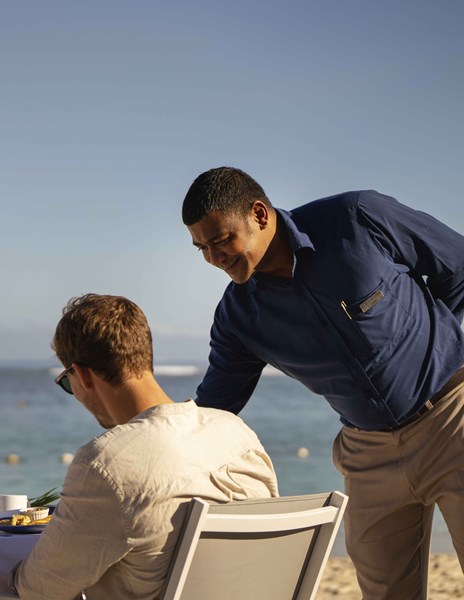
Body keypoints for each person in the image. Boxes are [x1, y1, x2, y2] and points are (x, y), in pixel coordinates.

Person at [181, 166, 464, 600]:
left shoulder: (356, 219)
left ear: (259, 214)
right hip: (367, 454)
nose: (213, 258)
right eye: (201, 247)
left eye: (221, 240)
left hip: (452, 418)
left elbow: (457, 266)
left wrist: (436, 341)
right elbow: (215, 412)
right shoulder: (238, 318)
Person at [10, 293, 278, 599]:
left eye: (67, 383)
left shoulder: (105, 463)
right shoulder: (238, 434)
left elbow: (39, 590)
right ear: (143, 356)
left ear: (82, 375)